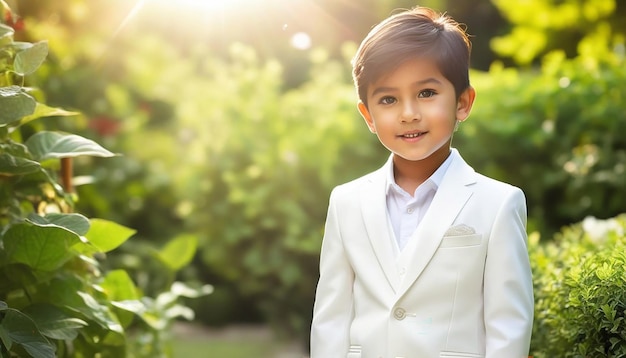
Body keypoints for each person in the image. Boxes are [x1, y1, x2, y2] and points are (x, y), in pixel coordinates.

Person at [310, 6, 533, 358]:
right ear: (367, 115)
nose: (408, 113)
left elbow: (508, 327)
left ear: (462, 102)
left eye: (426, 93)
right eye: (388, 99)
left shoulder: (498, 204)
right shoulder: (346, 201)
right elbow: (331, 319)